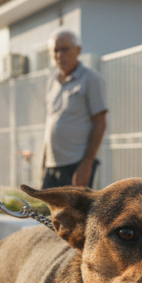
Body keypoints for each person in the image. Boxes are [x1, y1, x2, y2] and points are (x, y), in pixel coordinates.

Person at [40, 28, 107, 188]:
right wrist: (43, 164)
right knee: (48, 213)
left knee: (76, 213)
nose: (59, 55)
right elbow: (50, 124)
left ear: (78, 50)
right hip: (52, 165)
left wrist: (86, 165)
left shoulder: (91, 78)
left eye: (64, 49)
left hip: (76, 164)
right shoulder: (52, 82)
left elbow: (100, 122)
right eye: (55, 50)